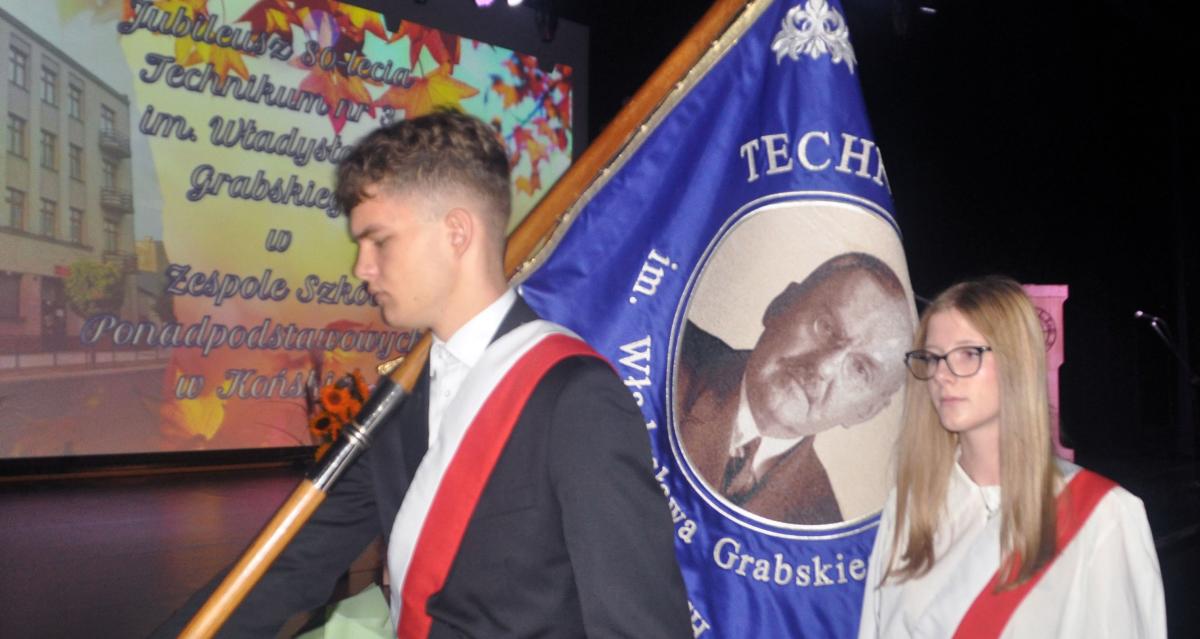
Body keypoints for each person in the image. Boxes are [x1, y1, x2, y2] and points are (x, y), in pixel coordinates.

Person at [154, 110, 691, 637]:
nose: (361, 268)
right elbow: (289, 567)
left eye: (380, 240)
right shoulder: (400, 404)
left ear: (456, 233)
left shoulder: (575, 399)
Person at [858, 276, 1166, 638]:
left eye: (968, 353)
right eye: (932, 357)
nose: (941, 375)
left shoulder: (1102, 516)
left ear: (1016, 362)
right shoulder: (910, 508)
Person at [676, 252, 912, 524]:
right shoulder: (659, 357)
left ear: (866, 411)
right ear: (780, 306)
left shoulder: (821, 526)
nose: (823, 367)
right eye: (826, 327)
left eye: (860, 369)